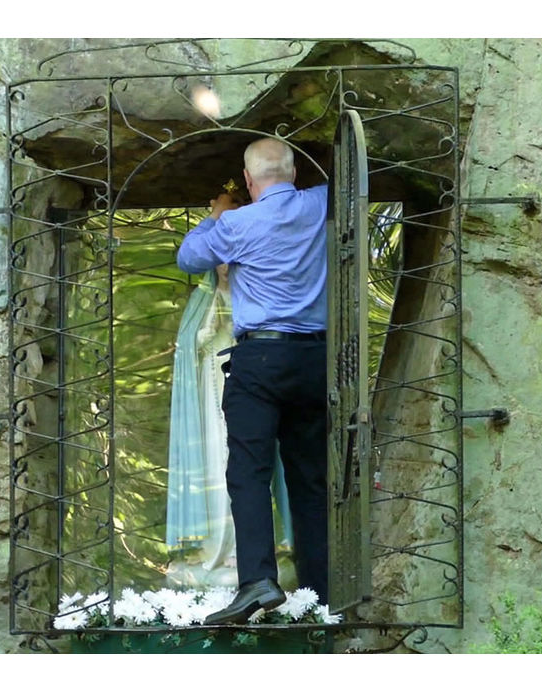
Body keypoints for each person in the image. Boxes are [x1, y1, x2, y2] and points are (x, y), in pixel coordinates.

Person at [177, 137, 328, 624]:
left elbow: (189, 257)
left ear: (247, 181)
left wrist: (218, 215)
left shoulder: (237, 224)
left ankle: (259, 580)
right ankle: (319, 591)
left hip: (259, 359)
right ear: (293, 173)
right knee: (310, 478)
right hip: (315, 358)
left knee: (248, 471)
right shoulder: (320, 203)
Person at [165, 264, 295, 588]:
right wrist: (212, 322)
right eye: (219, 260)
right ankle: (214, 550)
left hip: (251, 396)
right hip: (210, 405)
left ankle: (249, 553)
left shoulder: (255, 294)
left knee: (251, 470)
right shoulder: (202, 298)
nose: (225, 267)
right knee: (214, 474)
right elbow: (190, 344)